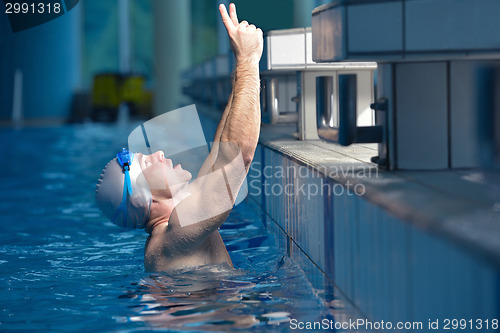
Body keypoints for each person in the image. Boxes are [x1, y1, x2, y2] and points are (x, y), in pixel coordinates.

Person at [95, 3, 263, 272]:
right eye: (148, 162)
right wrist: (248, 61)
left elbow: (222, 152)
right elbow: (239, 157)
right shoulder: (174, 235)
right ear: (142, 198)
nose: (159, 154)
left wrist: (239, 62)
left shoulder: (183, 217)